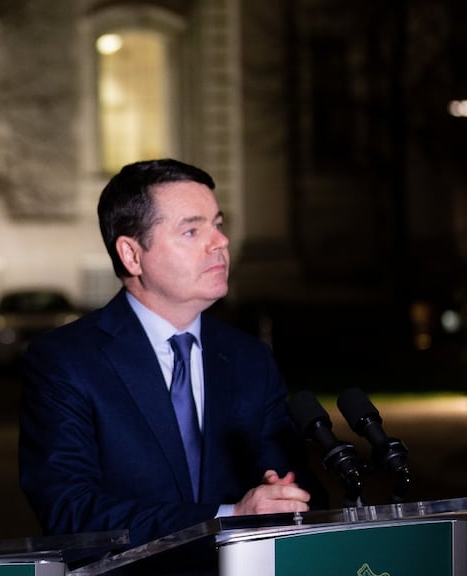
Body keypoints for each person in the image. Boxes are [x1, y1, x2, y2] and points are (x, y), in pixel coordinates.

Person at [18, 158, 326, 551]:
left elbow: (299, 488)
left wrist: (287, 497)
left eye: (217, 224)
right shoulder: (65, 362)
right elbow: (70, 512)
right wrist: (227, 517)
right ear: (131, 255)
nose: (220, 242)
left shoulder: (249, 359)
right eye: (192, 230)